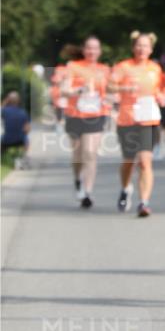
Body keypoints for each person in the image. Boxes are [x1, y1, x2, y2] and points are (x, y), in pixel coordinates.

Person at [109, 31, 165, 217]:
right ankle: (126, 187)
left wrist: (161, 95)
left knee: (145, 162)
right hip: (127, 117)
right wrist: (124, 88)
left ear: (150, 49)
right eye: (138, 45)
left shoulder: (155, 68)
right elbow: (110, 86)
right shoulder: (123, 67)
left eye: (145, 46)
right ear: (133, 48)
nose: (141, 49)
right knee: (129, 161)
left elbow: (161, 89)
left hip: (148, 117)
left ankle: (144, 202)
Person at [61, 36, 110, 208]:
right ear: (83, 49)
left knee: (90, 152)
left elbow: (109, 92)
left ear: (100, 51)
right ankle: (77, 179)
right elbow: (64, 90)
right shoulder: (73, 67)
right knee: (78, 155)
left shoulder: (105, 70)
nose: (92, 52)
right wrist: (79, 90)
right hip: (75, 114)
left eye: (95, 48)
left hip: (96, 114)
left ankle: (87, 192)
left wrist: (111, 101)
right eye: (89, 48)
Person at [1, 91, 30, 168]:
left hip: (6, 140)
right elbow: (27, 129)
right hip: (20, 140)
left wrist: (5, 101)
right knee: (26, 138)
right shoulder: (23, 112)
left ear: (9, 100)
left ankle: (2, 159)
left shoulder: (5, 111)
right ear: (18, 101)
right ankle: (23, 156)